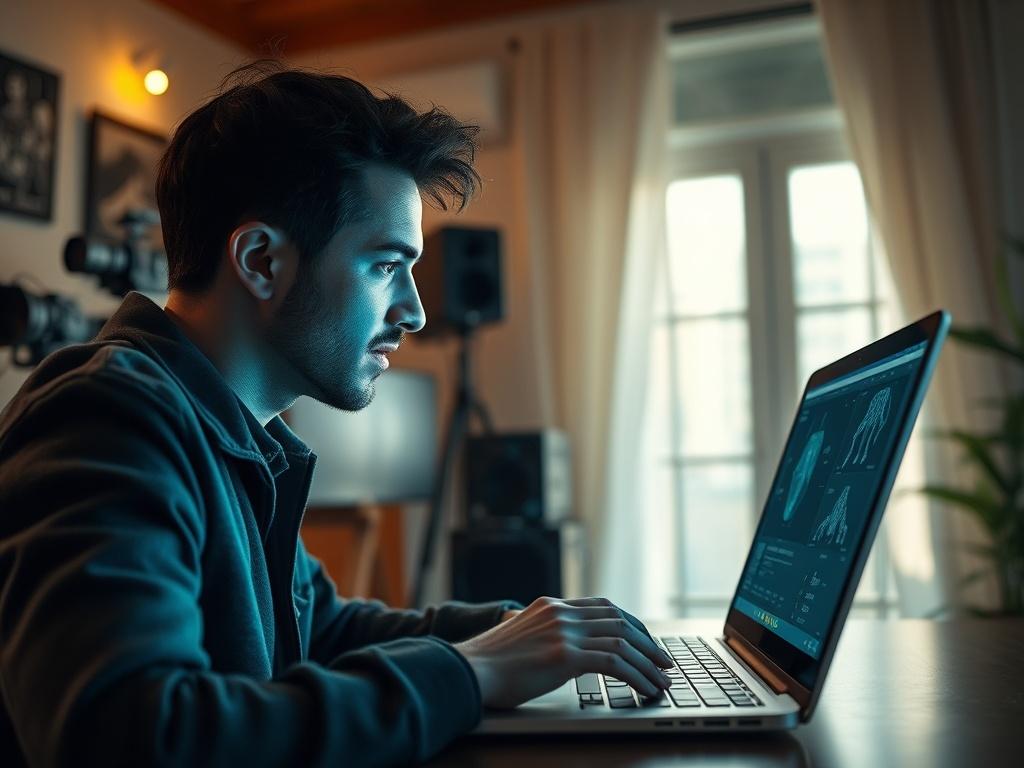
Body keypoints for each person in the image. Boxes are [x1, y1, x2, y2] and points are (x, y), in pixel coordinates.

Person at [0, 62, 674, 767]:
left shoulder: (236, 434)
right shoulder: (105, 418)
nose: (413, 310)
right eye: (386, 266)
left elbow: (321, 628)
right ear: (261, 260)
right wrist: (473, 672)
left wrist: (524, 632)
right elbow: (133, 737)